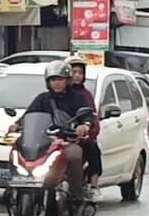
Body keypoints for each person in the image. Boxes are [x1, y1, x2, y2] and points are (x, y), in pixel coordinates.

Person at [7, 60, 91, 205]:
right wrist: (17, 124)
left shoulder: (78, 98)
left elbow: (87, 117)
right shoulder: (42, 99)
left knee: (75, 155)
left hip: (66, 142)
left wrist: (83, 126)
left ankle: (76, 196)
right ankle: (15, 189)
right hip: (44, 143)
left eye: (60, 79)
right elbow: (29, 115)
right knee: (17, 153)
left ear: (67, 80)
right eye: (53, 80)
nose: (56, 83)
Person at [65, 55, 102, 196]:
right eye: (73, 72)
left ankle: (93, 185)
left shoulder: (85, 96)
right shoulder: (52, 96)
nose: (77, 76)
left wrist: (87, 133)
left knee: (93, 149)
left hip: (80, 137)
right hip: (60, 136)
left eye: (80, 73)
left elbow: (92, 118)